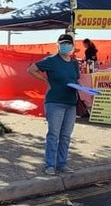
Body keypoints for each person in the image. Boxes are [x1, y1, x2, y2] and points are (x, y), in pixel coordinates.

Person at [27, 33, 80, 175]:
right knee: (54, 134)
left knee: (66, 135)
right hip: (55, 102)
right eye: (62, 44)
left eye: (68, 44)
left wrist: (79, 87)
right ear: (58, 45)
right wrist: (45, 81)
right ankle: (50, 164)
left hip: (71, 102)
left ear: (72, 46)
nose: (65, 46)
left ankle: (62, 163)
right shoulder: (51, 60)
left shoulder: (74, 63)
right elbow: (31, 69)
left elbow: (76, 79)